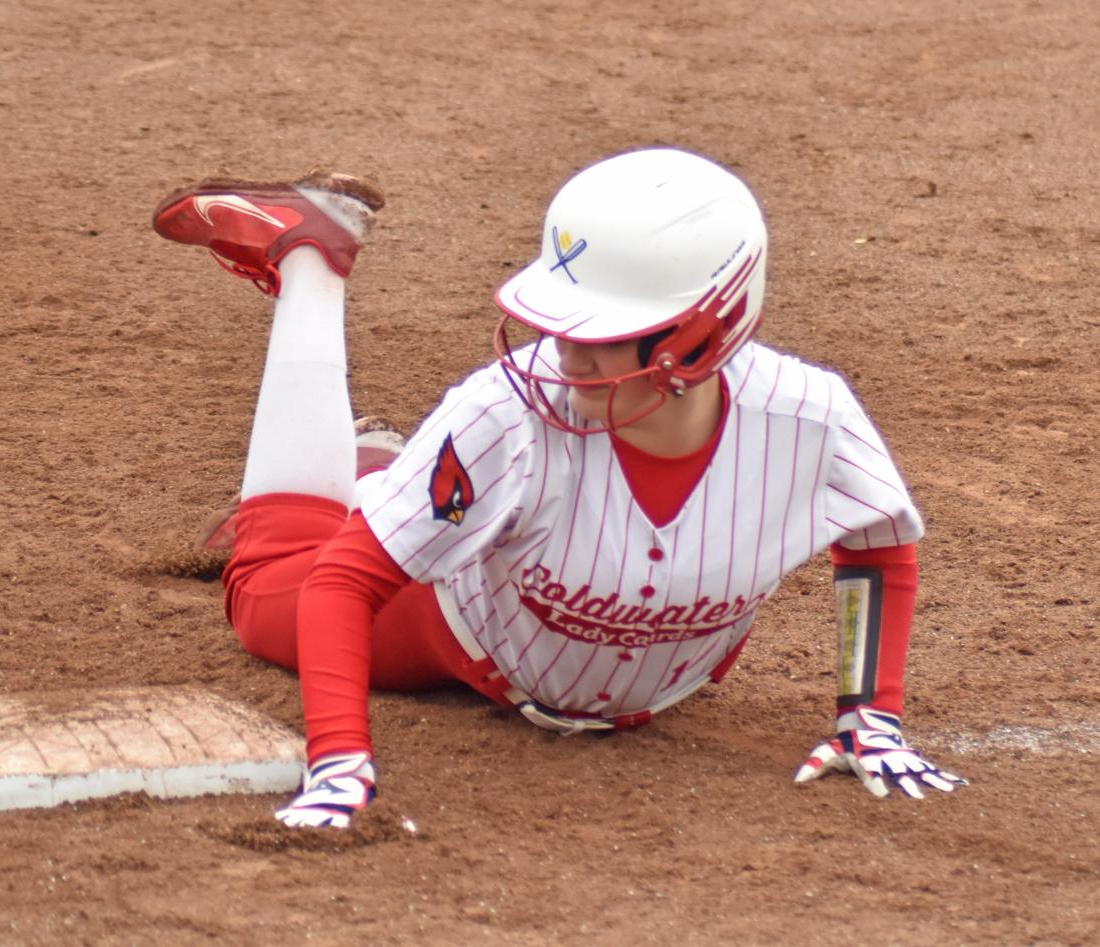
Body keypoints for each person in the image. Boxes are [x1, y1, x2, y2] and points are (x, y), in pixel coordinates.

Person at [151, 149, 966, 829]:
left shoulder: (809, 416)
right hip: (459, 629)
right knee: (263, 593)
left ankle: (387, 472)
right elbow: (345, 582)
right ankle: (309, 261)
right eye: (556, 325)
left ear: (702, 335)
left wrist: (871, 713)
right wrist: (337, 761)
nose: (564, 360)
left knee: (441, 487)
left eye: (599, 337)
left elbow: (877, 543)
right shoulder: (506, 410)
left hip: (612, 628)